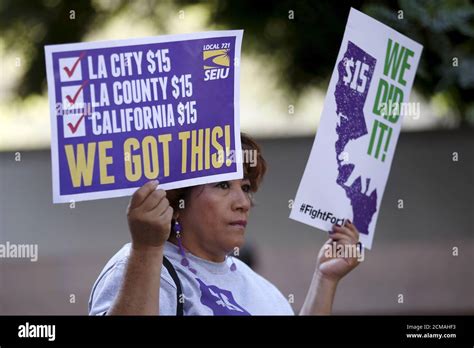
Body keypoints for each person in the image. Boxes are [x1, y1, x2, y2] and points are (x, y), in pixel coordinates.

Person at [88, 133, 361, 315]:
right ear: (177, 201)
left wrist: (324, 279)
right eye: (222, 185)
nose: (243, 201)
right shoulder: (139, 268)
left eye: (245, 187)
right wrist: (146, 248)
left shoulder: (262, 289)